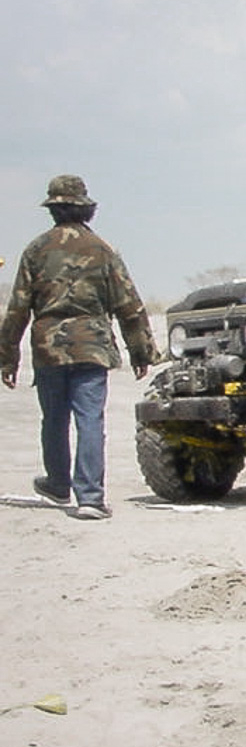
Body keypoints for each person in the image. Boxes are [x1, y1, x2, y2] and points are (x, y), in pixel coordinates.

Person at [0, 175, 160, 520]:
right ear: (86, 209)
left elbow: (18, 309)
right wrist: (141, 351)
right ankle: (90, 497)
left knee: (54, 419)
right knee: (90, 420)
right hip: (92, 346)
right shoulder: (103, 249)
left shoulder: (35, 249)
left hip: (49, 347)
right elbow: (129, 305)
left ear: (53, 210)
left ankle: (58, 484)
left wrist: (7, 358)